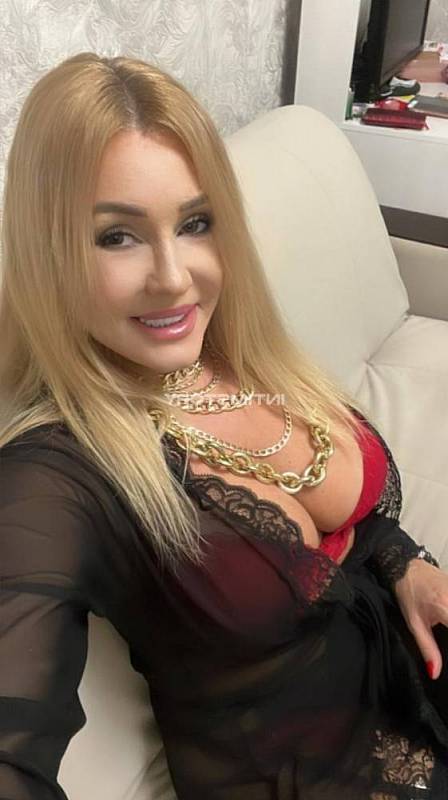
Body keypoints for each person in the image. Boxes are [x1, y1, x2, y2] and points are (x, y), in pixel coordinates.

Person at [0, 52, 447, 800]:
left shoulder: (236, 350)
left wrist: (406, 562)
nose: (175, 277)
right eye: (117, 236)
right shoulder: (54, 475)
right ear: (49, 253)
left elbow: (351, 523)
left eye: (195, 223)